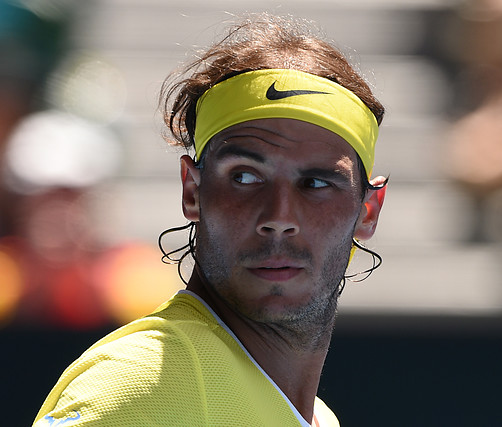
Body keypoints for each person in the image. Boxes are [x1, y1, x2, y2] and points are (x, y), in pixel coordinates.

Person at [33, 13, 387, 426]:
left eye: (315, 183)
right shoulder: (138, 388)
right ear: (192, 191)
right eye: (245, 177)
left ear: (368, 210)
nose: (279, 217)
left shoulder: (318, 418)